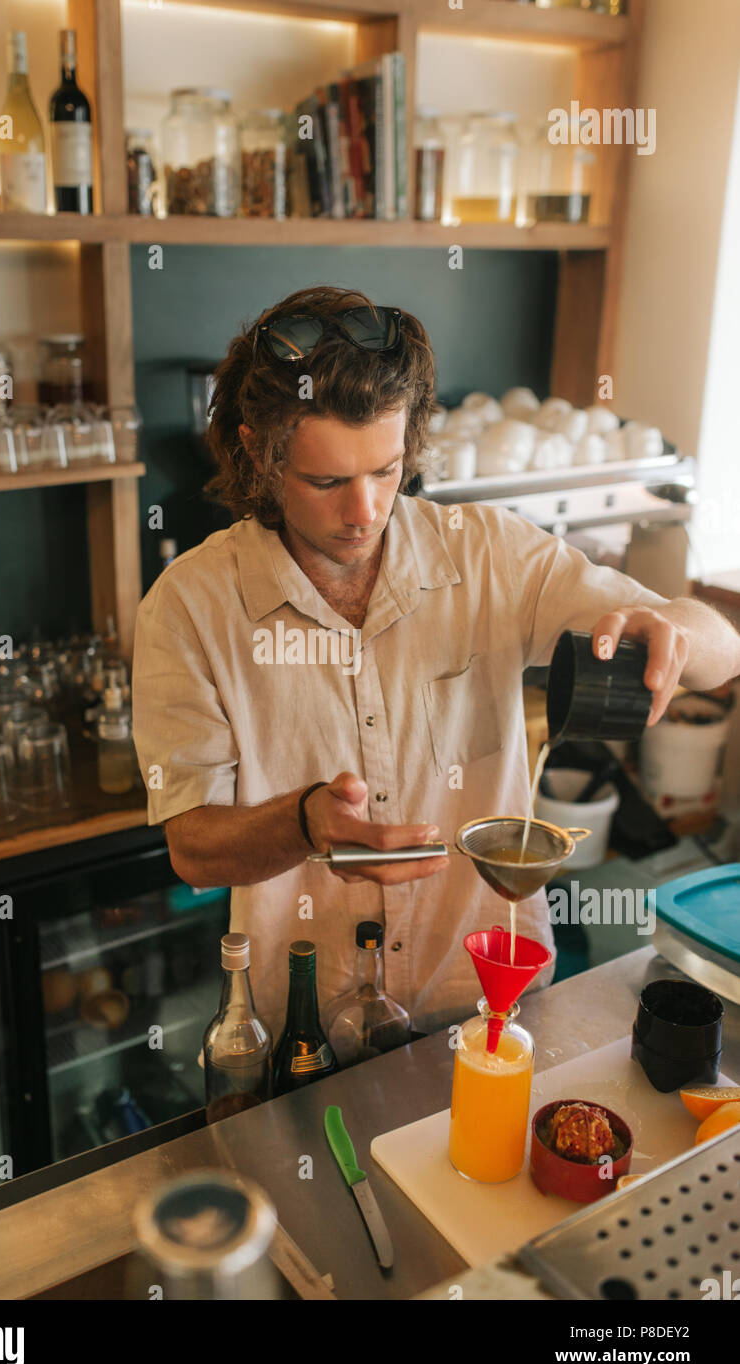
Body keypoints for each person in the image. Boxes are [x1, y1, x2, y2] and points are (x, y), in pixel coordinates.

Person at [132, 286, 740, 1044]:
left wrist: (674, 627)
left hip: (496, 999)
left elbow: (723, 657)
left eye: (385, 472)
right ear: (258, 450)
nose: (364, 510)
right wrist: (303, 824)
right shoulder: (188, 607)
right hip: (305, 1028)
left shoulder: (490, 555)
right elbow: (192, 848)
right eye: (327, 482)